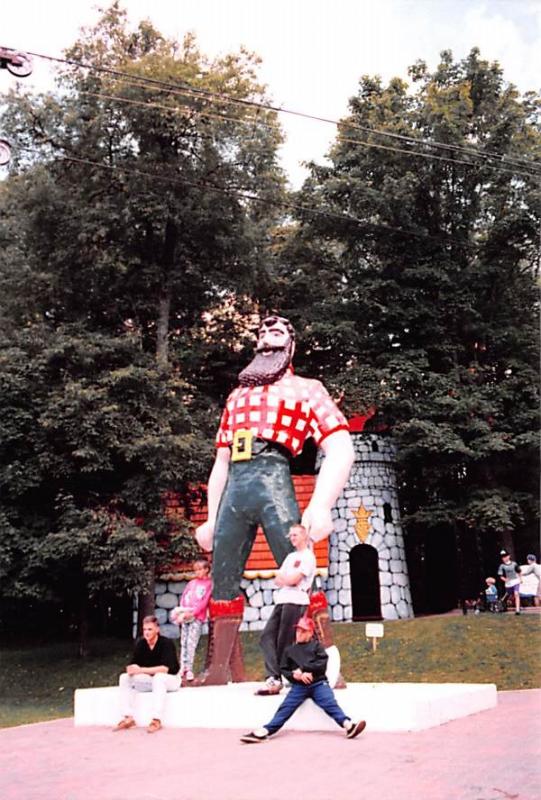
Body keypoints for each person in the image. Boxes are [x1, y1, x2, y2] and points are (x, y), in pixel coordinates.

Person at [194, 315, 355, 685]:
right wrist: (211, 516)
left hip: (274, 481)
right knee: (222, 576)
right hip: (237, 483)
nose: (267, 342)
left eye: (276, 334)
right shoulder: (235, 397)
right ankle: (220, 669)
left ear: (291, 346)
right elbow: (221, 461)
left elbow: (341, 446)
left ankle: (326, 667)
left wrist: (320, 503)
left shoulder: (307, 389)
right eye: (262, 335)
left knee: (300, 570)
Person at [240, 617, 366, 743]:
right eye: (298, 630)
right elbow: (284, 669)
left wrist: (304, 669)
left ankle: (348, 726)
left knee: (329, 703)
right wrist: (295, 675)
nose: (299, 634)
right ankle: (265, 731)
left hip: (318, 684)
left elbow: (322, 663)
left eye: (303, 631)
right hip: (299, 686)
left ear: (310, 633)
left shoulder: (317, 647)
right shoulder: (289, 650)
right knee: (286, 708)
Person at [257, 524, 316, 696]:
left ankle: (282, 677)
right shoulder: (290, 557)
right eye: (290, 535)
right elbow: (278, 579)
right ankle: (274, 676)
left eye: (295, 534)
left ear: (304, 536)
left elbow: (294, 580)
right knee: (266, 636)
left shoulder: (308, 557)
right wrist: (286, 579)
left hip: (296, 601)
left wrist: (287, 579)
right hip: (282, 600)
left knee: (284, 640)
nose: (292, 538)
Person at [113, 615, 181, 734]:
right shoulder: (141, 644)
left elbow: (165, 669)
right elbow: (133, 665)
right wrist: (131, 669)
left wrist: (141, 670)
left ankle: (156, 719)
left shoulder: (166, 643)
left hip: (170, 680)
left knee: (159, 677)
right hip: (152, 681)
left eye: (150, 629)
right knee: (124, 678)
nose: (147, 633)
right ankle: (128, 718)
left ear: (157, 630)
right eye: (145, 630)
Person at [170, 558, 212, 682]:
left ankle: (189, 669)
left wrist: (193, 613)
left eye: (200, 569)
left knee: (191, 642)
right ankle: (182, 668)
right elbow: (184, 596)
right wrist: (183, 610)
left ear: (206, 570)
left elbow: (204, 602)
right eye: (195, 570)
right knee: (184, 642)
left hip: (196, 617)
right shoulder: (192, 583)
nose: (197, 572)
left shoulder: (209, 584)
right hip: (185, 614)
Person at [497, 550, 522, 615]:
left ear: (509, 556)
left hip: (515, 581)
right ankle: (502, 605)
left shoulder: (514, 564)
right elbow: (500, 576)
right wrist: (505, 579)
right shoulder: (502, 566)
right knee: (508, 594)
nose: (504, 558)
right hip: (508, 583)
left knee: (516, 594)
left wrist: (520, 579)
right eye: (502, 557)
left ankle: (517, 609)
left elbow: (519, 571)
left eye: (505, 557)